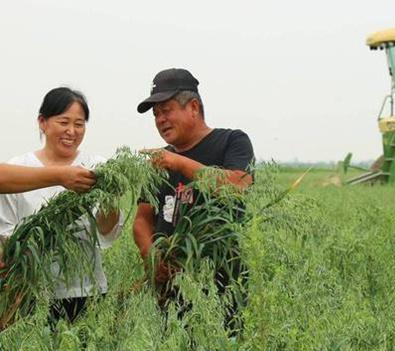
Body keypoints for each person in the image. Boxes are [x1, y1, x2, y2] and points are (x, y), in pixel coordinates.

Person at [133, 68, 254, 330]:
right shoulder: (159, 161)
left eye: (166, 110)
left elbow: (237, 185)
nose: (160, 120)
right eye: (156, 115)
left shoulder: (231, 141)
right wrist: (151, 256)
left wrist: (178, 161)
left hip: (222, 289)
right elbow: (142, 219)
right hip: (169, 293)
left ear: (194, 107)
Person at [0, 87, 122, 324]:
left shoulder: (96, 166)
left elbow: (106, 232)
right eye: (63, 122)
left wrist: (111, 199)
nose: (71, 131)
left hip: (86, 290)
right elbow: (5, 232)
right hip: (28, 292)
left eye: (79, 124)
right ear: (43, 123)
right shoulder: (19, 167)